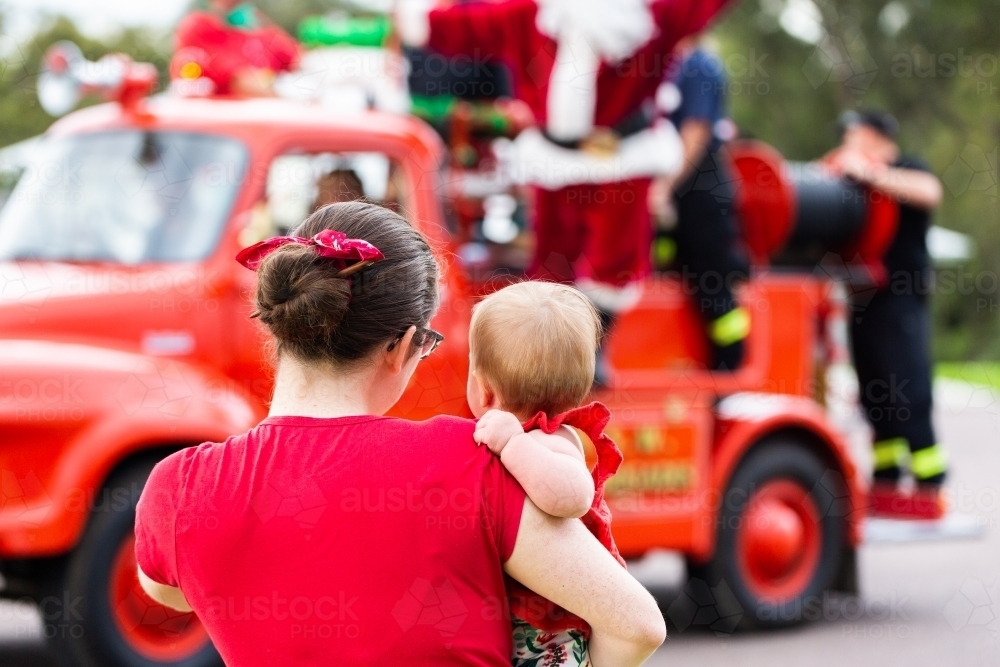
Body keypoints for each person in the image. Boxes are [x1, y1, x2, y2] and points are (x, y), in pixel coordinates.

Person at [134, 202, 665, 666]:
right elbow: (637, 625)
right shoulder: (474, 463)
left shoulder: (178, 490)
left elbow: (170, 592)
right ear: (402, 345)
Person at [396, 0, 736, 386]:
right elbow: (472, 26)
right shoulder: (531, 16)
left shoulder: (647, 17)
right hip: (553, 160)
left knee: (615, 257)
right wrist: (419, 20)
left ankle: (594, 345)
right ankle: (543, 349)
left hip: (620, 158)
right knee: (551, 259)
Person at [468, 281, 626, 666]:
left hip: (551, 629)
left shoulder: (550, 440)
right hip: (511, 615)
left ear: (484, 390)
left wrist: (513, 446)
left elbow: (573, 494)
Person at [823, 109, 948, 502]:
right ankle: (886, 476)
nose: (849, 142)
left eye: (855, 135)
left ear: (878, 137)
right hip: (864, 298)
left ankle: (929, 481)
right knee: (874, 390)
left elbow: (931, 190)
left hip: (901, 299)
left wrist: (872, 173)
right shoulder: (848, 172)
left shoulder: (905, 167)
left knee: (907, 386)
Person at [649, 38, 751, 370]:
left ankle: (730, 368)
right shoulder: (665, 63)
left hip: (702, 190)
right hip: (675, 190)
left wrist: (664, 186)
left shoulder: (699, 66)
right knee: (661, 270)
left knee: (713, 286)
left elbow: (695, 134)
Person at [170, 0, 299, 96]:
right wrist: (287, 99)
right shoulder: (198, 26)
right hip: (216, 125)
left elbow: (301, 64)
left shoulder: (267, 33)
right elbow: (238, 81)